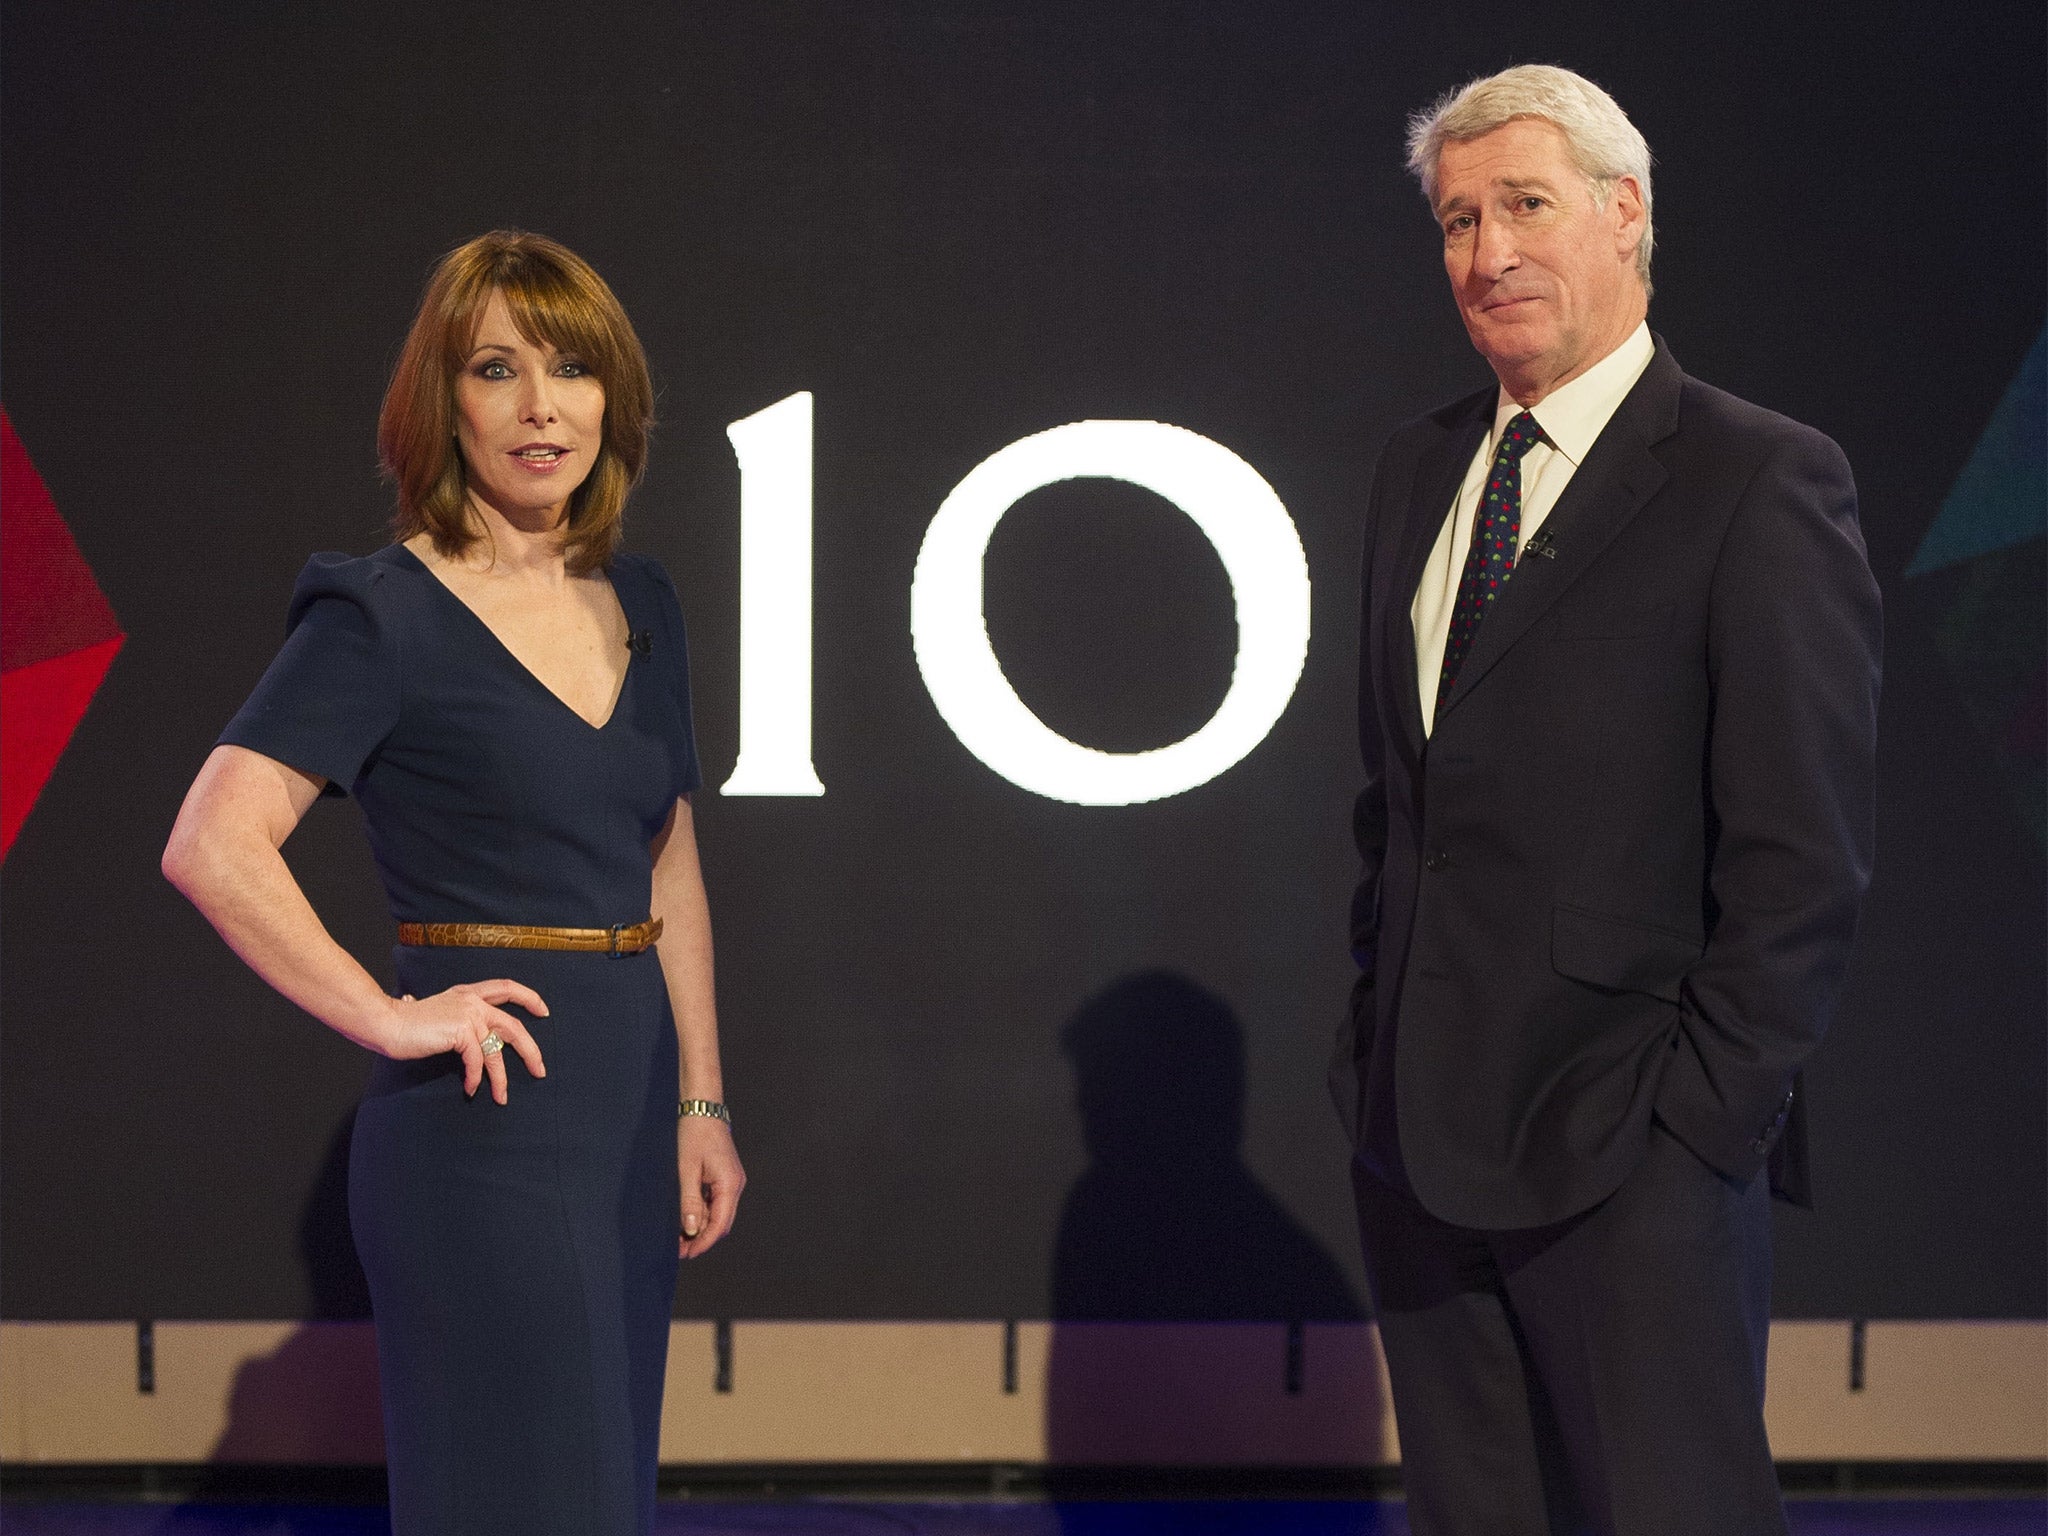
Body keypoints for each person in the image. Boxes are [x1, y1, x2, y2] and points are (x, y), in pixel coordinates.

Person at [1327, 66, 1880, 1534]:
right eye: (1457, 220)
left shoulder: (1758, 480)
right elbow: (1400, 805)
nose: (1487, 253)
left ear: (1625, 215)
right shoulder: (1419, 470)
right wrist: (1369, 1052)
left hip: (1634, 1164)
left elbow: (1801, 857)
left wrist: (1700, 1129)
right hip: (1420, 1151)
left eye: (1525, 206)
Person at [162, 230, 744, 1535]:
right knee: (522, 1498)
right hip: (484, 1119)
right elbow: (212, 841)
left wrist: (701, 1094)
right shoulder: (381, 615)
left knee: (604, 1492)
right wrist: (388, 1011)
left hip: (628, 1106)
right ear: (443, 402)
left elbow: (668, 856)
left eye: (574, 370)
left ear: (617, 398)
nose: (543, 408)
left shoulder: (643, 600)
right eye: (498, 369)